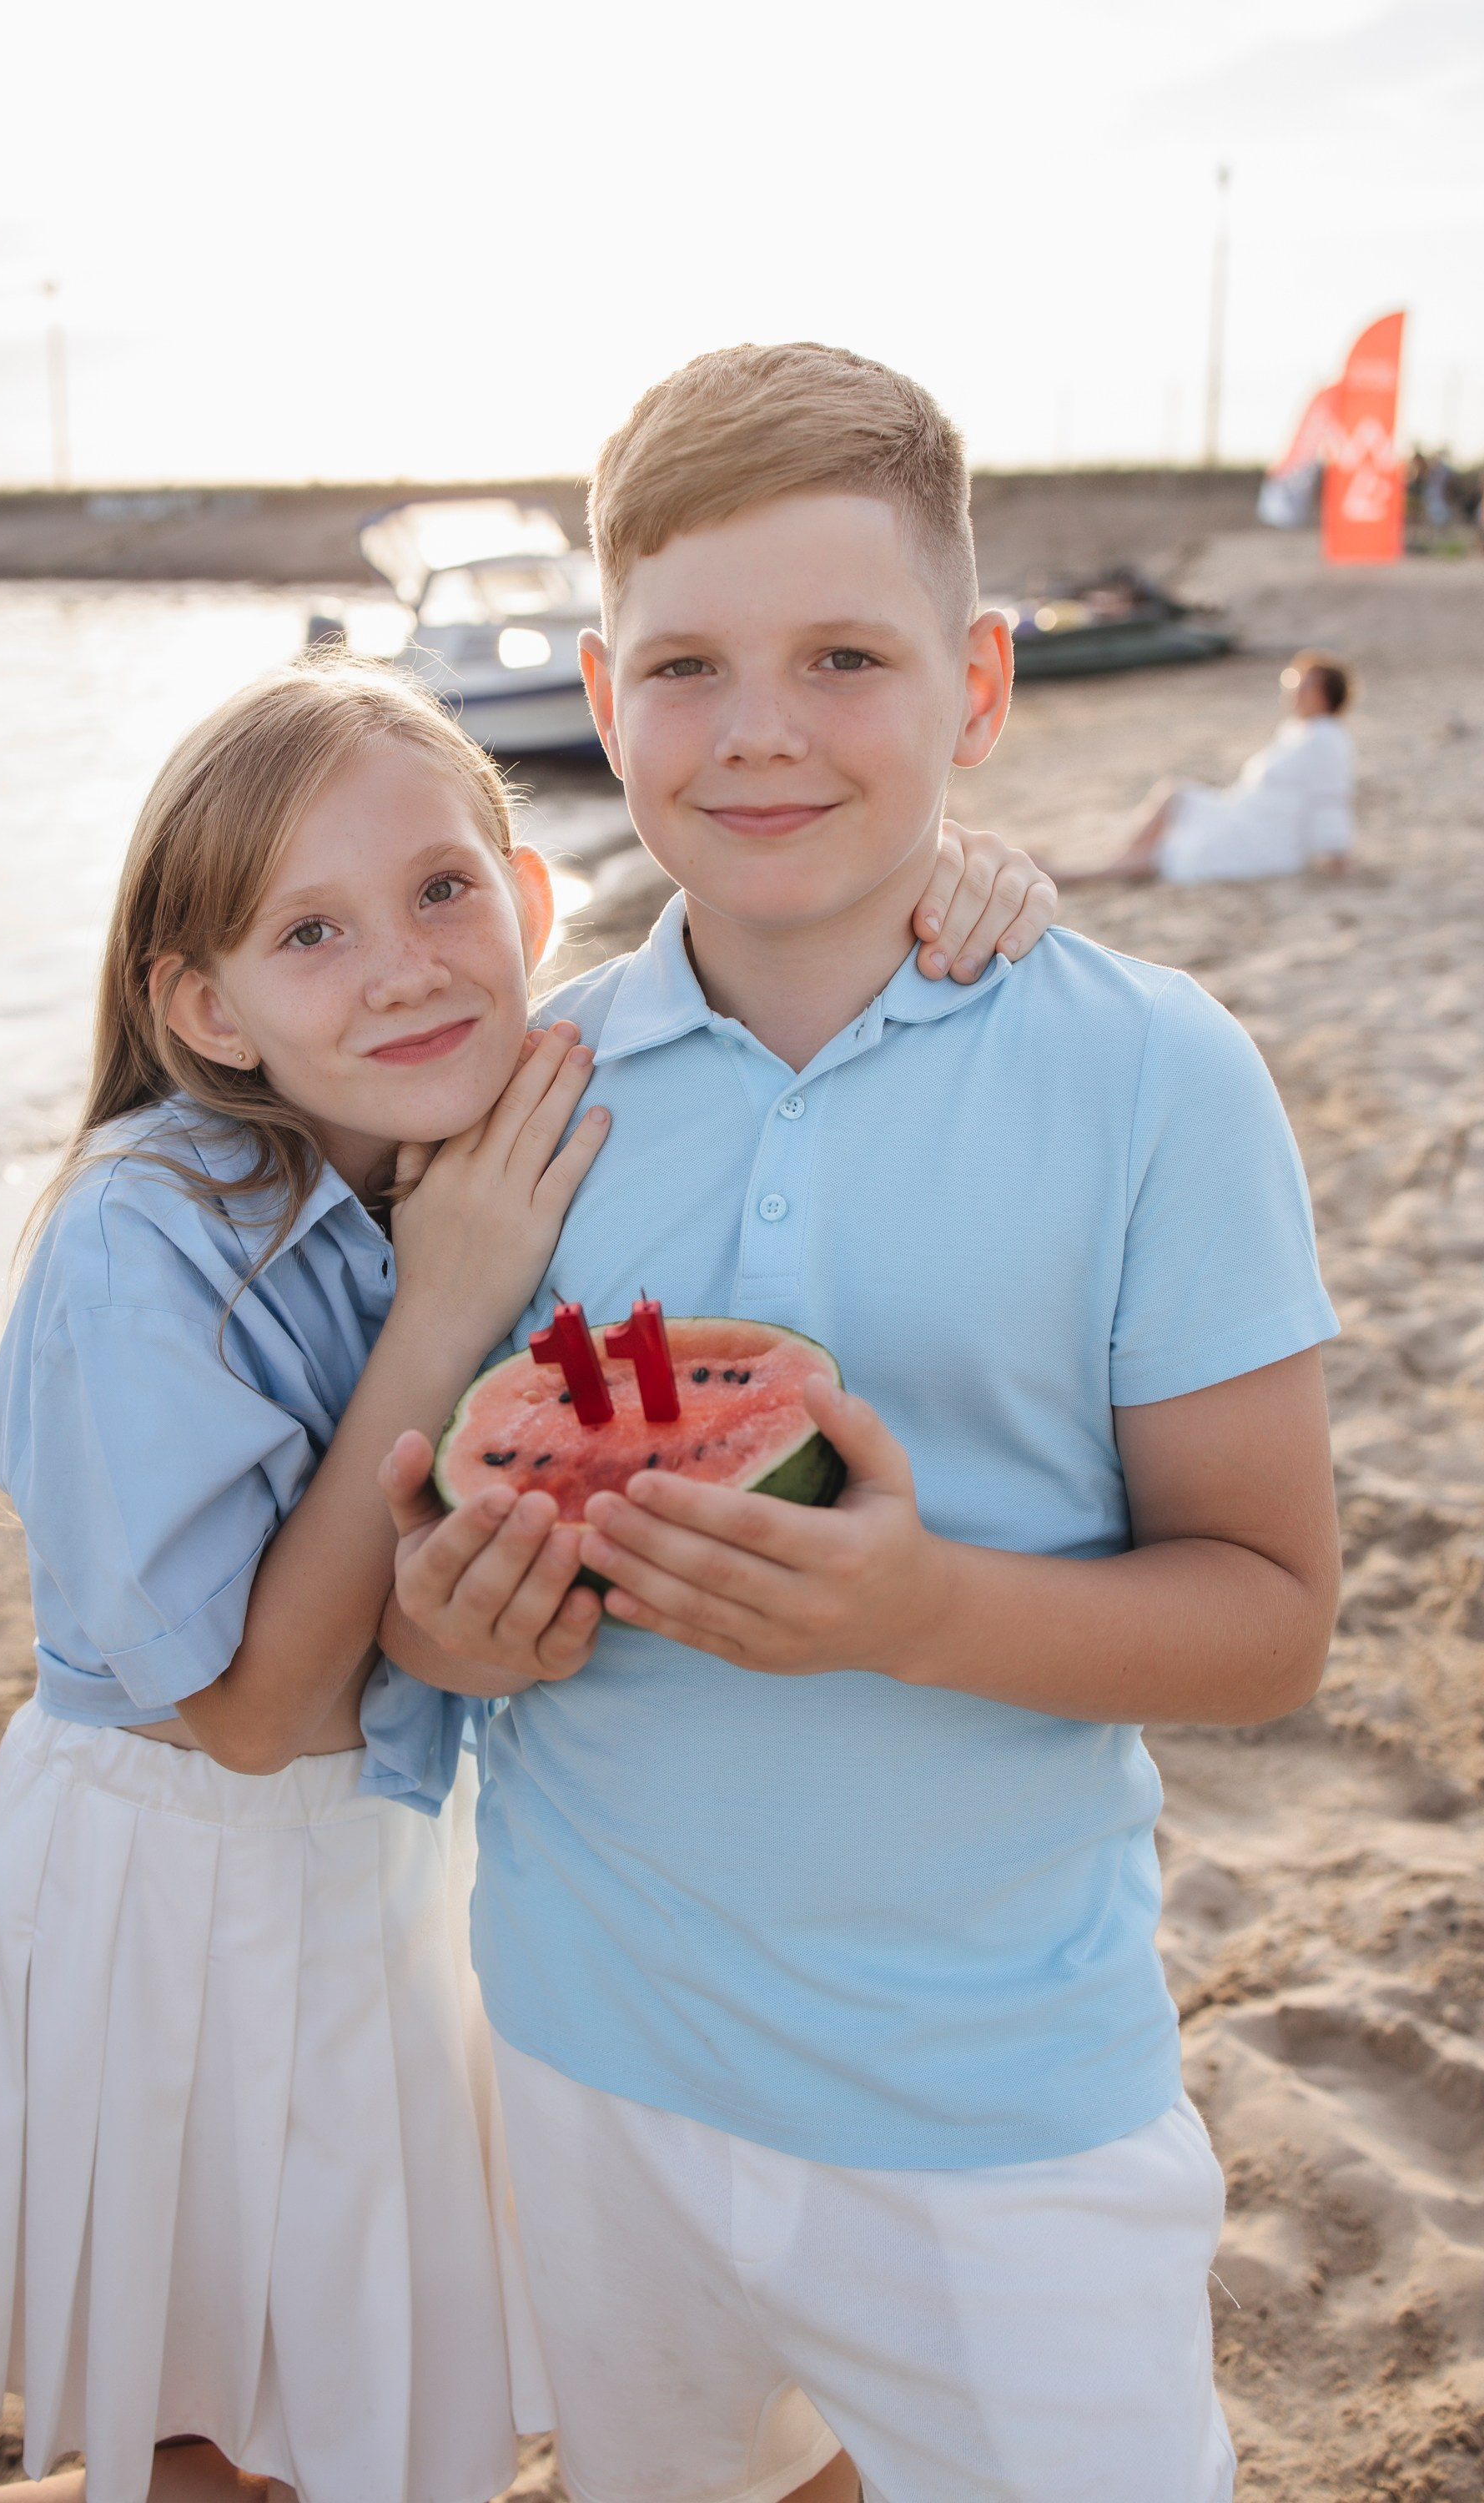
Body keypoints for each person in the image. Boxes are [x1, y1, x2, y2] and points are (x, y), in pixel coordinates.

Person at [0, 657, 1054, 2503]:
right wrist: (446, 1307)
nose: (403, 964)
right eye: (309, 931)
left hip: (412, 1838)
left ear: (527, 899)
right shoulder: (136, 1240)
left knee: (404, 2387)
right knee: (248, 2428)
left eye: (438, 891)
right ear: (208, 1008)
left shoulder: (473, 1107)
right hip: (196, 1883)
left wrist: (965, 880)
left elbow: (767, 974)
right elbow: (248, 1719)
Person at [380, 342, 1343, 2503]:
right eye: (687, 667)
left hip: (999, 2093)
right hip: (590, 2054)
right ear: (606, 700)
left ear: (977, 682)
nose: (761, 730)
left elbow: (1271, 1624)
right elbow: (422, 1603)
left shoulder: (1154, 1077)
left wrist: (915, 1612)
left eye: (845, 658)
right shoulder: (519, 1094)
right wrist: (465, 1619)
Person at [1070, 650, 1356, 884]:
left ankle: (1097, 871)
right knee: (1175, 799)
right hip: (1246, 816)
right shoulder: (1298, 731)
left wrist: (1335, 852)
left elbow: (1329, 798)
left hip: (1262, 835)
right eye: (1296, 681)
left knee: (1174, 829)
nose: (1296, 689)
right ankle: (1115, 861)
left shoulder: (1326, 738)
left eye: (1306, 684)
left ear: (1326, 695)